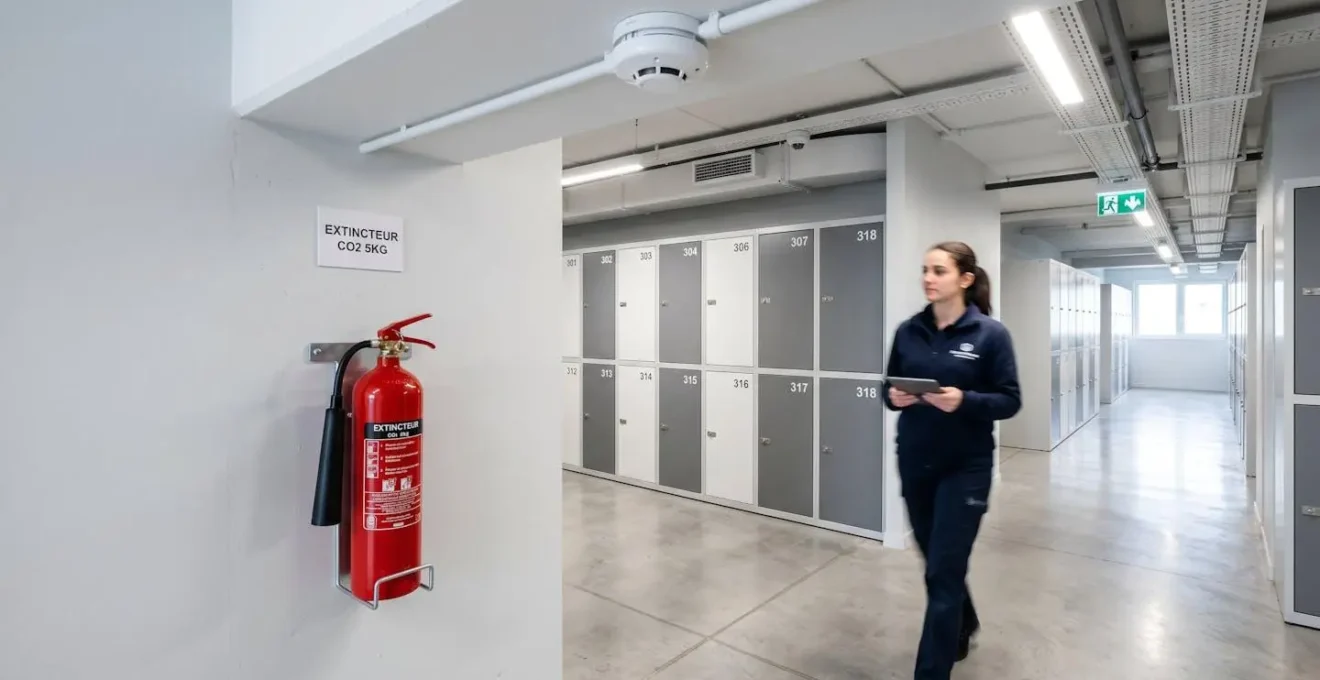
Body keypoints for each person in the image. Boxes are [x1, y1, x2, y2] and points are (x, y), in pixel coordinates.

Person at [882, 241, 1021, 680]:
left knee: (943, 571)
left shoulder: (990, 335)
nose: (928, 278)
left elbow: (1009, 401)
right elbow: (886, 388)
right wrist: (894, 396)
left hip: (966, 468)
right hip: (916, 461)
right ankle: (966, 620)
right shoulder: (908, 331)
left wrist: (965, 400)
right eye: (925, 269)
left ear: (964, 279)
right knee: (936, 559)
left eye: (938, 270)